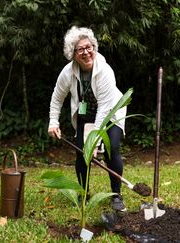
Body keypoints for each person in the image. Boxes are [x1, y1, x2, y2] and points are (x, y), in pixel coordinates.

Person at [48, 26, 127, 212]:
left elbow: (104, 110)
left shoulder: (105, 71)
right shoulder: (67, 72)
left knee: (111, 149)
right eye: (80, 49)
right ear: (73, 53)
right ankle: (84, 193)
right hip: (86, 115)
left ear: (94, 47)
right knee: (81, 153)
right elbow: (57, 97)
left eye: (89, 47)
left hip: (110, 114)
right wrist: (53, 122)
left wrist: (96, 142)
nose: (86, 52)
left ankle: (116, 195)